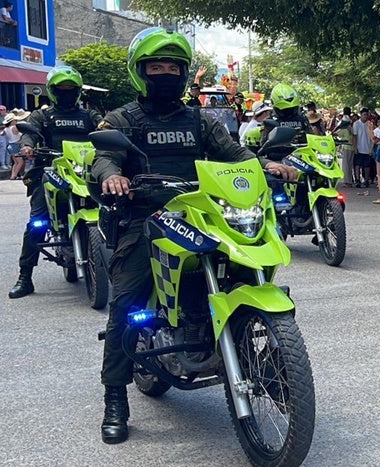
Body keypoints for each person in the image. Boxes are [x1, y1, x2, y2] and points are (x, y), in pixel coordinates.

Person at [90, 27, 297, 445]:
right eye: (156, 67)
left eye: (173, 68)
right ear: (141, 72)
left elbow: (234, 155)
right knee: (126, 302)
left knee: (243, 267)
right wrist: (112, 176)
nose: (165, 74)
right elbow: (105, 157)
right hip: (145, 217)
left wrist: (266, 165)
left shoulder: (200, 120)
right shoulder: (122, 119)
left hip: (200, 214)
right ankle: (115, 396)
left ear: (184, 74)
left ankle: (268, 360)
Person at [7, 66, 100, 299]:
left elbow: (104, 129)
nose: (67, 92)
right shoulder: (43, 115)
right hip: (51, 172)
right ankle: (25, 277)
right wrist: (27, 145)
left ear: (78, 91)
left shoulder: (89, 115)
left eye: (71, 89)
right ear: (53, 90)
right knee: (36, 222)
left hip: (84, 172)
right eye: (62, 89)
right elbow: (31, 132)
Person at [353, 109, 374, 187]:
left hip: (367, 147)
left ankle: (366, 180)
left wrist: (371, 148)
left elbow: (372, 136)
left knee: (367, 165)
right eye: (364, 114)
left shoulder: (370, 124)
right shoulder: (356, 124)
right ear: (361, 115)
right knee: (357, 164)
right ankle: (358, 180)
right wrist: (355, 147)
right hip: (359, 147)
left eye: (366, 115)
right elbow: (355, 136)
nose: (365, 116)